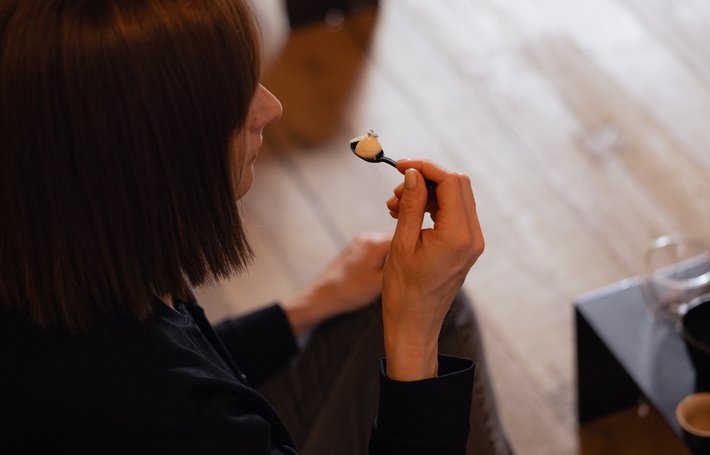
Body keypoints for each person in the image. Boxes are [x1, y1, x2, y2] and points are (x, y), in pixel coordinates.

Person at [0, 0, 511, 453]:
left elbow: (183, 352)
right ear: (147, 156)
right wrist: (414, 334)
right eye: (232, 97)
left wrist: (309, 306)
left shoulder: (62, 250)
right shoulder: (174, 420)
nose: (271, 107)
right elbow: (179, 387)